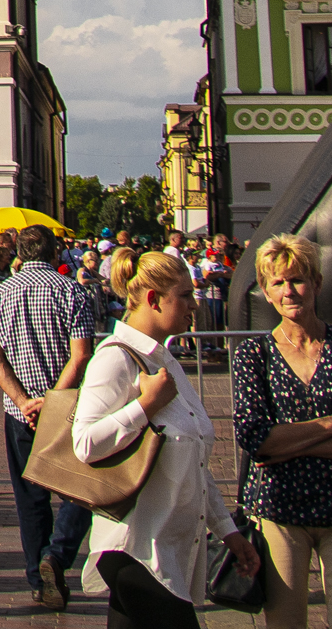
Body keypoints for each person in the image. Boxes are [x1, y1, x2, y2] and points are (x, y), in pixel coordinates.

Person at [74, 252, 259, 627]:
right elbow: (85, 442)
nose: (195, 304)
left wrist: (228, 531)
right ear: (154, 299)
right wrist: (144, 406)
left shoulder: (165, 360)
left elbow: (197, 463)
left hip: (168, 549)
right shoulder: (115, 360)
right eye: (186, 295)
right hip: (137, 549)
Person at [231, 234, 332, 629]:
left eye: (298, 279)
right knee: (285, 624)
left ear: (317, 283)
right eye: (278, 283)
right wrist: (331, 425)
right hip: (280, 512)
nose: (289, 291)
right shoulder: (254, 357)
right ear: (267, 293)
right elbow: (255, 439)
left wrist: (285, 444)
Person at [0, 222, 104, 611]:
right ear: (55, 254)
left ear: (19, 254)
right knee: (82, 488)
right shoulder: (72, 291)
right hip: (66, 407)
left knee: (30, 497)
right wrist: (51, 400)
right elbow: (81, 353)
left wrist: (22, 401)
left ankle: (39, 579)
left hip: (19, 410)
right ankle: (58, 555)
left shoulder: (0, 293)